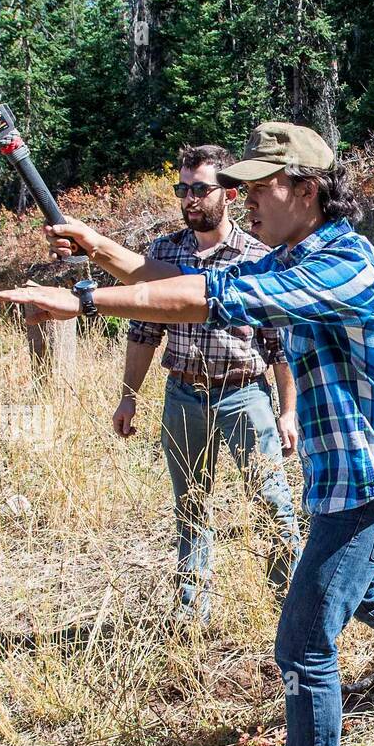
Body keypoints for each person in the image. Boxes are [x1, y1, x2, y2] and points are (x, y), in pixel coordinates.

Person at [0, 122, 374, 746]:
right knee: (355, 587)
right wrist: (96, 249)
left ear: (306, 190)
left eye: (258, 187)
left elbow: (204, 299)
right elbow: (178, 282)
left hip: (373, 482)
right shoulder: (295, 254)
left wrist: (84, 303)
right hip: (343, 478)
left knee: (304, 640)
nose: (243, 200)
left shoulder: (343, 264)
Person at [119, 143, 300, 620]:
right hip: (183, 392)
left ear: (229, 193)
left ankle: (294, 606)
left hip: (243, 393)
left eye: (201, 189)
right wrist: (128, 399)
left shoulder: (257, 254)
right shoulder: (164, 252)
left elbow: (281, 344)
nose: (190, 199)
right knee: (191, 504)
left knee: (270, 500)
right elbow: (143, 331)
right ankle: (191, 610)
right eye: (183, 189)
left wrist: (287, 411)